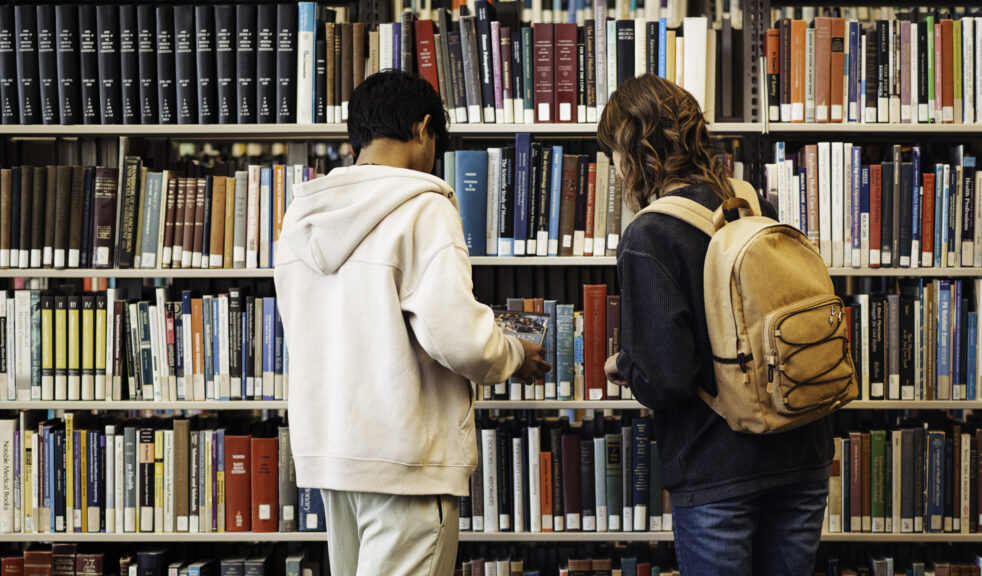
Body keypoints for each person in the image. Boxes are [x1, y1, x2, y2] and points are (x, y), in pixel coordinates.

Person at [274, 70, 550, 576]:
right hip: (409, 463)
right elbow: (461, 339)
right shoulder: (423, 207)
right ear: (424, 129)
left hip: (335, 456)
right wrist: (514, 352)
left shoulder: (299, 218)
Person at [599, 74, 833, 576]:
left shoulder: (649, 234)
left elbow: (666, 377)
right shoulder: (750, 204)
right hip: (801, 448)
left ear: (629, 151)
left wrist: (623, 365)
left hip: (717, 470)